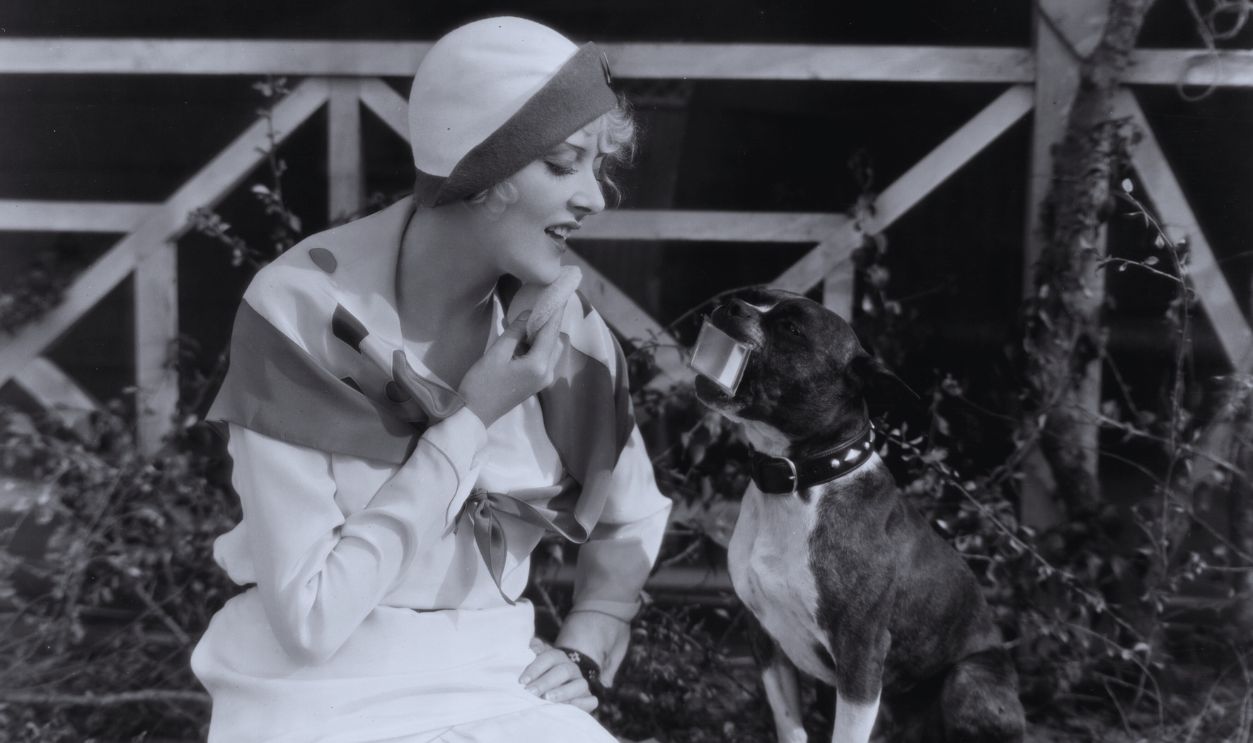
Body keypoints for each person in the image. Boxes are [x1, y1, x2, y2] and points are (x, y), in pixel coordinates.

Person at [191, 16, 672, 743]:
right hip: (312, 690)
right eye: (563, 163)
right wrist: (473, 418)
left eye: (595, 168)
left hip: (494, 674)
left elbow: (631, 513)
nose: (595, 199)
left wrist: (589, 638)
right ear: (483, 170)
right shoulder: (300, 310)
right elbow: (312, 621)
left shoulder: (559, 331)